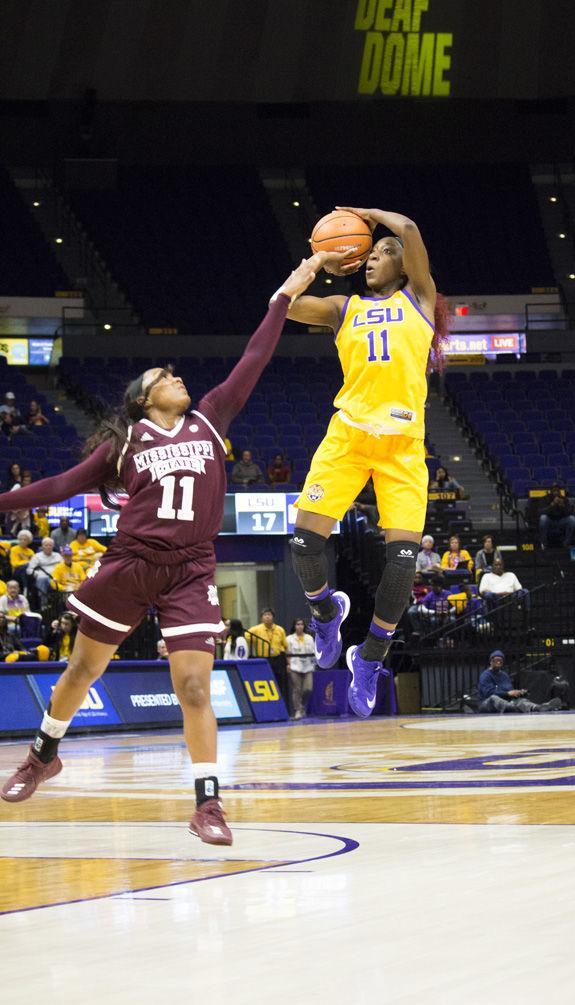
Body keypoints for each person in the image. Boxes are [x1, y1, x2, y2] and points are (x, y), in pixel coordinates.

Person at [0, 252, 332, 845]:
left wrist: (286, 290)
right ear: (144, 398)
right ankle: (43, 754)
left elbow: (255, 356)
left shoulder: (211, 419)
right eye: (164, 376)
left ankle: (209, 804)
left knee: (196, 688)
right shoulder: (125, 442)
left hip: (190, 569)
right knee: (82, 668)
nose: (178, 377)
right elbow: (57, 486)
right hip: (131, 562)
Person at [284, 205, 449, 718]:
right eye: (369, 252)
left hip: (402, 445)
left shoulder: (420, 300)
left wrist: (370, 216)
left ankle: (371, 657)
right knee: (304, 542)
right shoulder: (342, 307)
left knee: (401, 564)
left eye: (382, 253)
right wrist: (318, 262)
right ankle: (326, 611)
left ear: (403, 268)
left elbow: (413, 227)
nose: (374, 257)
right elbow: (282, 306)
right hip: (349, 436)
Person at [478, 651, 561, 713]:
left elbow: (509, 691)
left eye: (501, 660)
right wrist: (507, 694)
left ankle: (537, 707)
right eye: (496, 660)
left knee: (519, 700)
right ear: (491, 661)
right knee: (494, 698)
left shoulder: (504, 675)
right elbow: (487, 693)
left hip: (505, 702)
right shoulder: (485, 675)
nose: (499, 662)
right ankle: (516, 708)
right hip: (486, 703)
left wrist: (518, 693)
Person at [247, 607, 288, 697]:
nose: (267, 617)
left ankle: (279, 699)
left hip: (277, 659)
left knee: (279, 681)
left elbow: (285, 646)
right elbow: (244, 637)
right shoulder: (255, 629)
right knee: (264, 680)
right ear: (261, 618)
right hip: (263, 659)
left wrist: (288, 663)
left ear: (273, 617)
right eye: (265, 615)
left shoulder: (280, 630)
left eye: (269, 615)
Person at [285, 618, 316, 719]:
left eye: (301, 624)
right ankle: (297, 710)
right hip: (295, 666)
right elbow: (287, 653)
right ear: (294, 626)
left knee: (308, 688)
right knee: (297, 689)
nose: (300, 626)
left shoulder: (309, 638)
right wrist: (289, 664)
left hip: (307, 666)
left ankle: (302, 705)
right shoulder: (289, 638)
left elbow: (313, 653)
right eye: (297, 624)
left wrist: (314, 665)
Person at [26, 536, 61, 606]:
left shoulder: (58, 555)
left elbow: (63, 566)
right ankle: (44, 604)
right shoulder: (37, 556)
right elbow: (29, 570)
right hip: (43, 577)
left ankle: (60, 603)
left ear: (53, 546)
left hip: (56, 576)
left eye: (50, 545)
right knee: (42, 578)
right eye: (46, 545)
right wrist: (38, 574)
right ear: (42, 546)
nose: (48, 547)